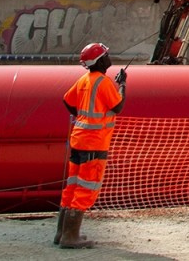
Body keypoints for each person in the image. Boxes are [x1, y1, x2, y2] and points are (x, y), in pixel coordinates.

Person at [54, 42, 126, 249]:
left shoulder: (84, 80)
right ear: (100, 60)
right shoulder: (102, 82)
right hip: (94, 142)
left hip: (79, 139)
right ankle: (71, 237)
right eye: (106, 55)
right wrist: (122, 85)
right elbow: (117, 107)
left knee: (73, 186)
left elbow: (67, 100)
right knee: (87, 188)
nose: (109, 58)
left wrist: (80, 115)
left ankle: (62, 233)